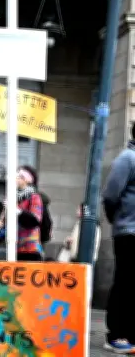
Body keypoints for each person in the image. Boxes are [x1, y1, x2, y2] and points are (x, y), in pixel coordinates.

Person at [102, 123, 135, 353]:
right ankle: (116, 334)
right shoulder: (128, 158)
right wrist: (120, 220)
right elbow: (110, 196)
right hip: (129, 232)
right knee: (126, 283)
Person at [0, 166, 44, 262]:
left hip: (31, 248)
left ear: (26, 180)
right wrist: (1, 223)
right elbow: (7, 222)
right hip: (15, 248)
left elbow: (35, 219)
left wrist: (15, 210)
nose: (16, 179)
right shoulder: (12, 197)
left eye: (19, 177)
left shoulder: (34, 197)